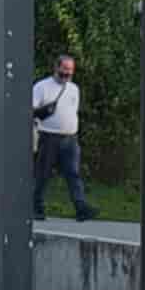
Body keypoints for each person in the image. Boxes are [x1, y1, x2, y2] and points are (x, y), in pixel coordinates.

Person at [29, 48, 96, 221]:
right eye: (64, 70)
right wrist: (43, 112)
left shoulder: (74, 89)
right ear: (56, 68)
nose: (67, 74)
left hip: (70, 138)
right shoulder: (41, 87)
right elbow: (31, 109)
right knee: (43, 174)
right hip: (49, 136)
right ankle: (36, 207)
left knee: (73, 173)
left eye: (70, 71)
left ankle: (81, 207)